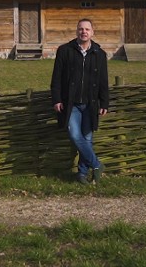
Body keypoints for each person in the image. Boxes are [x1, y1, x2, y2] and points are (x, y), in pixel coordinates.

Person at [51, 18, 110, 184]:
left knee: (87, 138)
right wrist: (56, 99)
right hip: (71, 104)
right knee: (76, 135)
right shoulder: (65, 51)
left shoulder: (100, 54)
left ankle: (82, 174)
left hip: (91, 104)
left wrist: (104, 102)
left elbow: (103, 81)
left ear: (92, 32)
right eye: (80, 29)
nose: (83, 32)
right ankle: (97, 164)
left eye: (87, 29)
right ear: (76, 31)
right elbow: (56, 78)